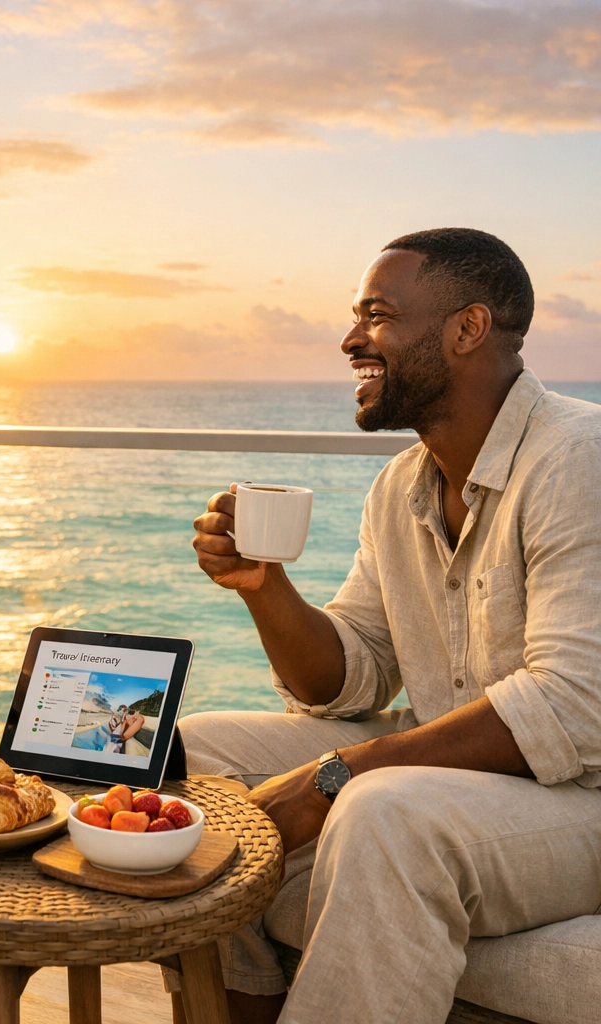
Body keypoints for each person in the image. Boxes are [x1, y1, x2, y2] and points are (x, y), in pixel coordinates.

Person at [188, 228, 601, 1024]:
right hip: (459, 781)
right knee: (196, 749)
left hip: (581, 798)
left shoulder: (576, 459)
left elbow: (572, 703)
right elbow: (347, 678)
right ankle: (240, 1004)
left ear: (467, 329)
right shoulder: (401, 486)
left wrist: (340, 773)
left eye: (376, 316)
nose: (351, 340)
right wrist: (263, 587)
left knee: (382, 813)